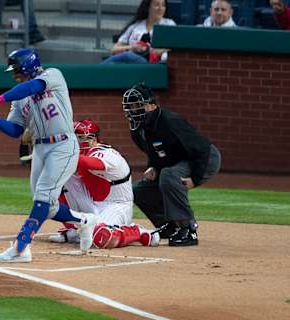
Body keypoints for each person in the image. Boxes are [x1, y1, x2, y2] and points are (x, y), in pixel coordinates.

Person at [0, 48, 97, 262]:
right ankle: (84, 221)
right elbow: (15, 130)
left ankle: (21, 247)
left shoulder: (52, 76)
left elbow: (33, 86)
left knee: (42, 195)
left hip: (63, 145)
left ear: (29, 66)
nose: (14, 75)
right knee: (46, 205)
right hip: (40, 149)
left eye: (17, 70)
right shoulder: (19, 99)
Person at [122, 83, 221, 246]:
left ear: (152, 105)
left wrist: (195, 179)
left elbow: (201, 150)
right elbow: (155, 151)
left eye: (137, 105)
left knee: (169, 175)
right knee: (137, 190)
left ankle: (188, 229)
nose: (133, 110)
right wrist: (153, 166)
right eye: (130, 106)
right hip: (176, 161)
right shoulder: (138, 130)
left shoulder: (170, 121)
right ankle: (171, 227)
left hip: (204, 159)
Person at [49, 119, 160, 249]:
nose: (76, 142)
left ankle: (139, 232)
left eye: (79, 138)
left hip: (117, 205)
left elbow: (94, 164)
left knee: (101, 237)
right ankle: (76, 229)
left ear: (93, 139)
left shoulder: (107, 153)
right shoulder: (79, 154)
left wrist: (65, 153)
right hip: (93, 201)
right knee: (56, 180)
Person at [101, 0, 175, 64]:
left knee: (127, 56)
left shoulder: (169, 24)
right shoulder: (135, 26)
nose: (160, 8)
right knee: (123, 57)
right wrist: (132, 48)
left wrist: (152, 51)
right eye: (156, 5)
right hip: (131, 61)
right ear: (148, 7)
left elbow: (174, 49)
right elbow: (114, 49)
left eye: (163, 5)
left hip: (153, 63)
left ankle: (96, 72)